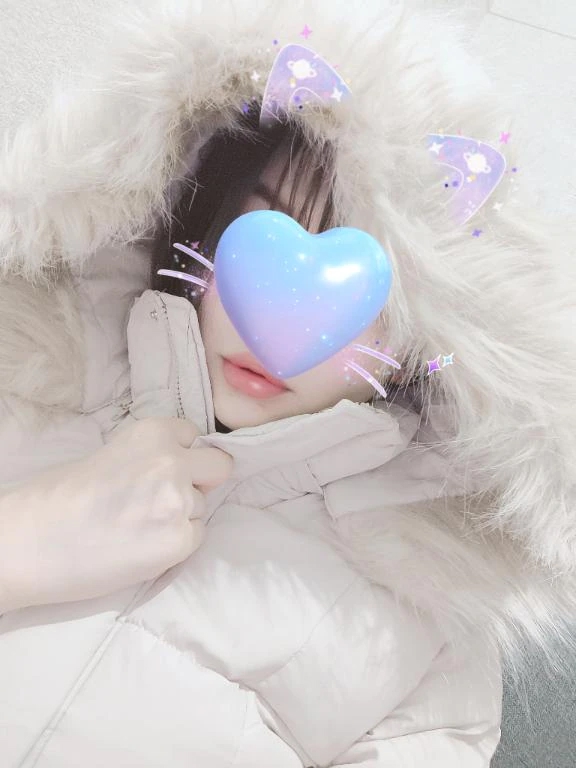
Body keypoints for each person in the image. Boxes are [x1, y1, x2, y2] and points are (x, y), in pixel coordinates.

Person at [0, 2, 575, 766]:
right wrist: (22, 541)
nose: (281, 325)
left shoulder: (437, 619)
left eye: (369, 296)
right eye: (263, 231)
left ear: (426, 342)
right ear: (201, 223)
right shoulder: (19, 376)